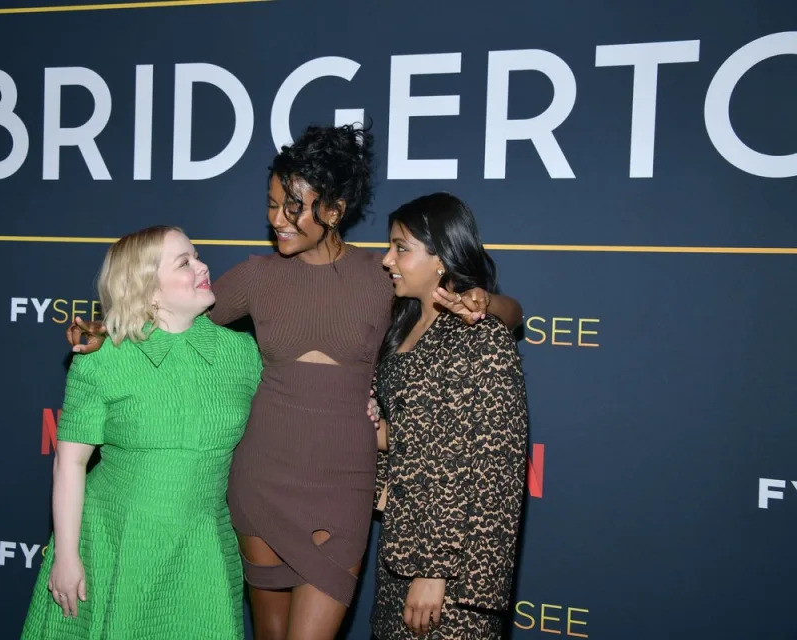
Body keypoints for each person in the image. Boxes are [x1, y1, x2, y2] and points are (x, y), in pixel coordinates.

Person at [67, 125, 524, 639]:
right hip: (263, 482)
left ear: (333, 209)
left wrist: (486, 301)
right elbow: (175, 314)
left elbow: (510, 313)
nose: (277, 220)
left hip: (344, 487)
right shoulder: (256, 277)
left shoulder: (383, 274)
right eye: (272, 204)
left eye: (293, 207)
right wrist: (111, 328)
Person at [22, 226, 262, 639]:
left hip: (201, 544)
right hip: (114, 540)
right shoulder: (103, 359)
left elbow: (291, 414)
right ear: (148, 289)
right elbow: (70, 462)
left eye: (197, 256)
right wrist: (66, 555)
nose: (202, 266)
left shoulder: (242, 354)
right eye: (184, 262)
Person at [368, 193, 529, 639]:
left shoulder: (483, 339)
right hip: (400, 549)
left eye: (401, 247)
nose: (387, 260)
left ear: (441, 258)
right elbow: (415, 434)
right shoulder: (403, 324)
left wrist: (435, 570)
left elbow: (493, 469)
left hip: (449, 578)